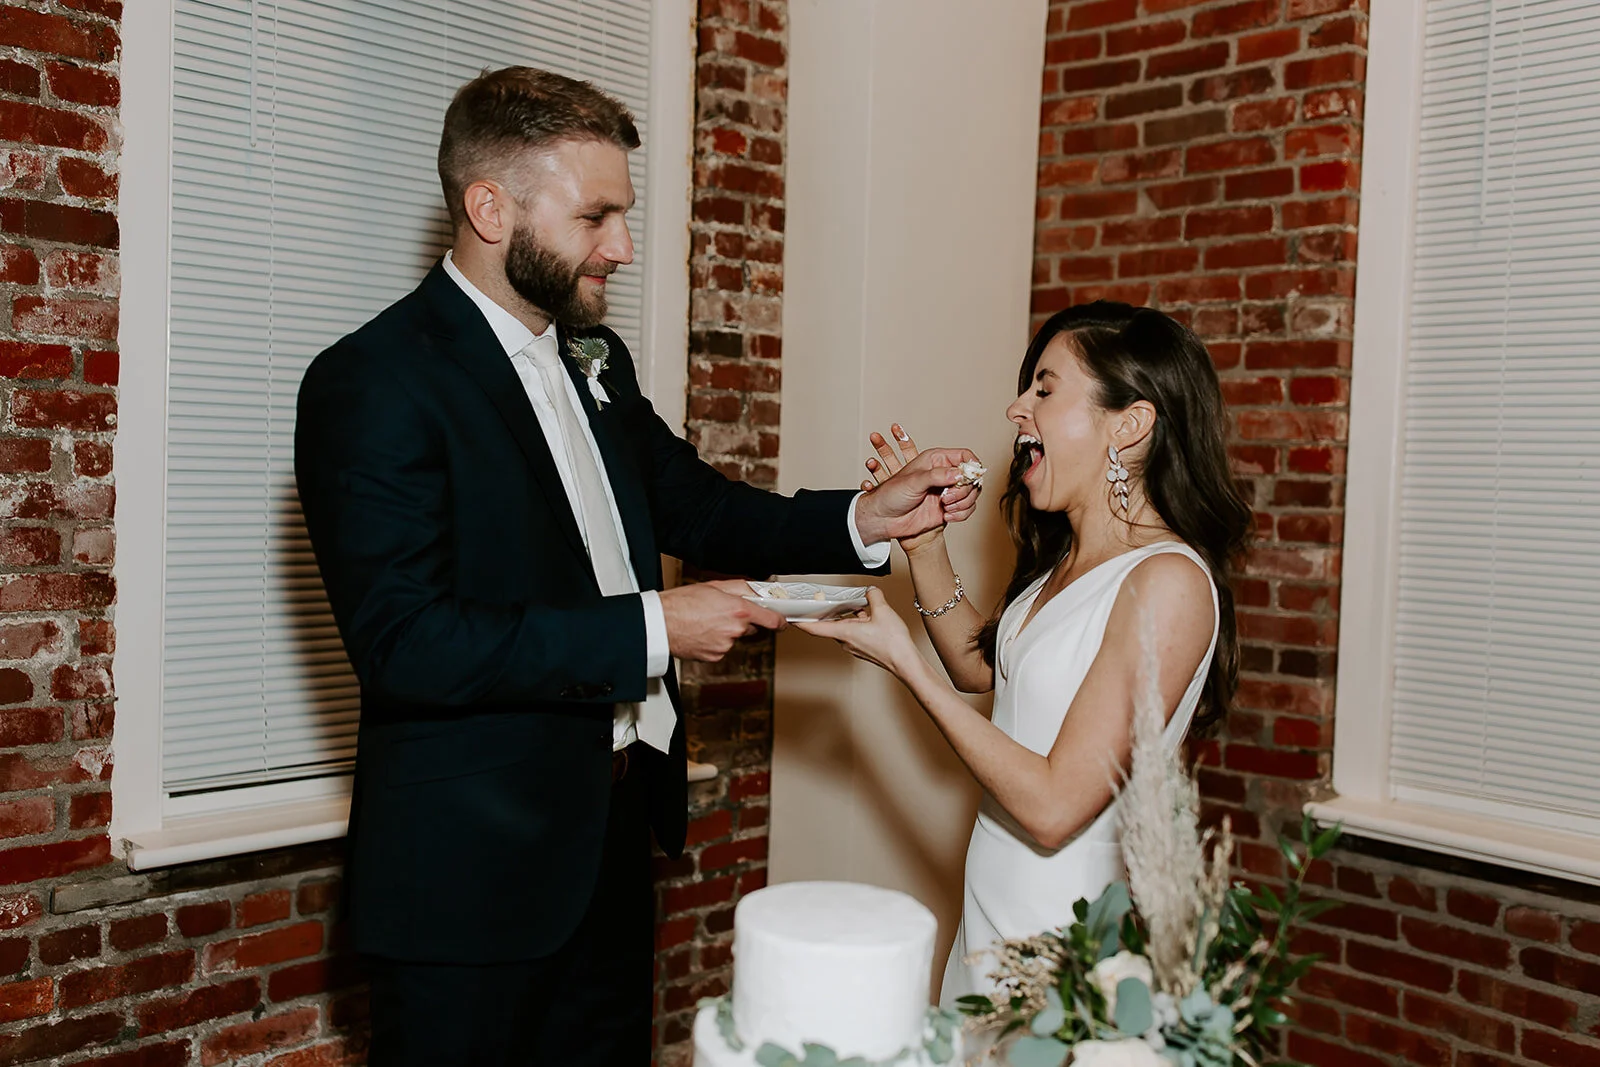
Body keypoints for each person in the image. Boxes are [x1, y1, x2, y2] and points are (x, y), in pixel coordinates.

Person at [293, 67, 980, 1065]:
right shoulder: (372, 381)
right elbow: (407, 642)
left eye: (622, 216)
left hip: (609, 841)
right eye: (596, 217)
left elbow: (701, 506)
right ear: (490, 209)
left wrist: (863, 517)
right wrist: (657, 626)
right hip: (467, 881)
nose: (620, 246)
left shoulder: (595, 358)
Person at [798, 302, 1253, 1003]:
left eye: (1045, 388)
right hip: (988, 921)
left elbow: (1053, 805)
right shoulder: (1064, 563)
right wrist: (925, 546)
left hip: (1061, 938)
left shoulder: (1168, 582)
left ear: (1129, 425)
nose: (1017, 409)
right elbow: (982, 670)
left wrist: (906, 665)